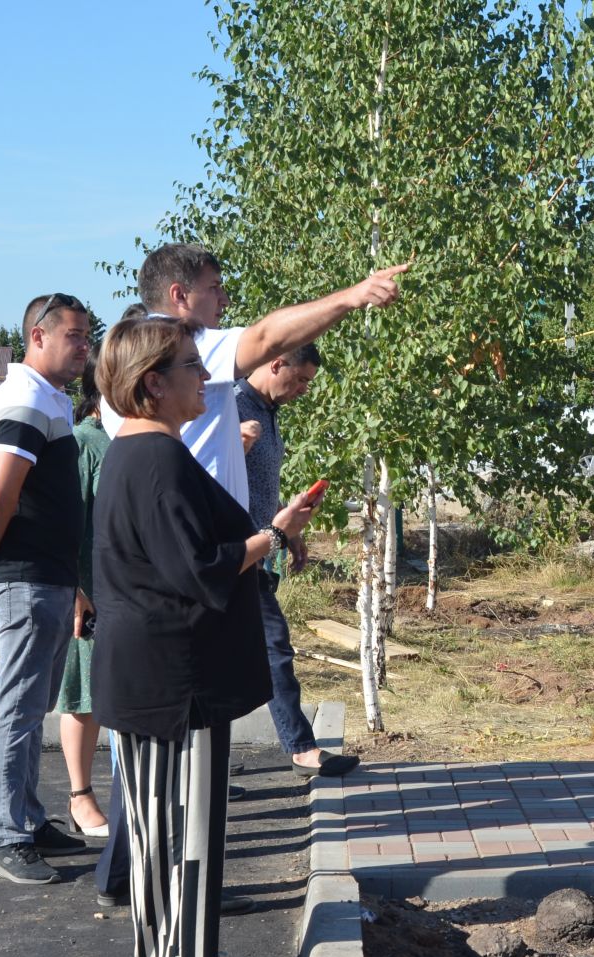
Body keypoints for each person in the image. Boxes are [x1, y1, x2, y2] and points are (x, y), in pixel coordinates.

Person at [91, 244, 406, 907]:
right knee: (171, 779)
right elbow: (267, 337)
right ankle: (163, 912)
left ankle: (140, 881)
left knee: (166, 780)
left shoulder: (148, 403)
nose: (223, 303)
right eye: (213, 289)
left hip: (178, 597)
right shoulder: (170, 374)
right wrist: (352, 295)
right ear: (179, 297)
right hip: (179, 612)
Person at [90, 315, 318, 957]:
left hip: (172, 680)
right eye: (192, 365)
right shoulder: (152, 458)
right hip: (169, 686)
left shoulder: (154, 449)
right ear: (151, 384)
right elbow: (198, 568)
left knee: (177, 835)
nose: (207, 377)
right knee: (170, 839)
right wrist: (274, 535)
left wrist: (269, 531)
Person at [0, 293, 93, 885]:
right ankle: (8, 839)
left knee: (32, 705)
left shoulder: (45, 397)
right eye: (75, 336)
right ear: (38, 336)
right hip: (28, 578)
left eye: (88, 337)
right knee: (16, 707)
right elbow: (0, 495)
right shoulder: (23, 399)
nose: (85, 348)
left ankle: (30, 822)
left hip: (51, 576)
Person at [237, 344, 359, 778]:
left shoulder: (267, 412)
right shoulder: (233, 404)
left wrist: (292, 531)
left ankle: (207, 769)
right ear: (275, 364)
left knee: (265, 651)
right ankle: (301, 748)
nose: (305, 390)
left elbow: (259, 484)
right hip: (231, 556)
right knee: (273, 648)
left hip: (260, 550)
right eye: (301, 379)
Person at [55, 360, 112, 837]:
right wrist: (75, 591)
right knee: (85, 694)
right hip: (91, 593)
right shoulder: (85, 441)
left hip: (127, 591)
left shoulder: (130, 436)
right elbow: (69, 523)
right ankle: (80, 795)